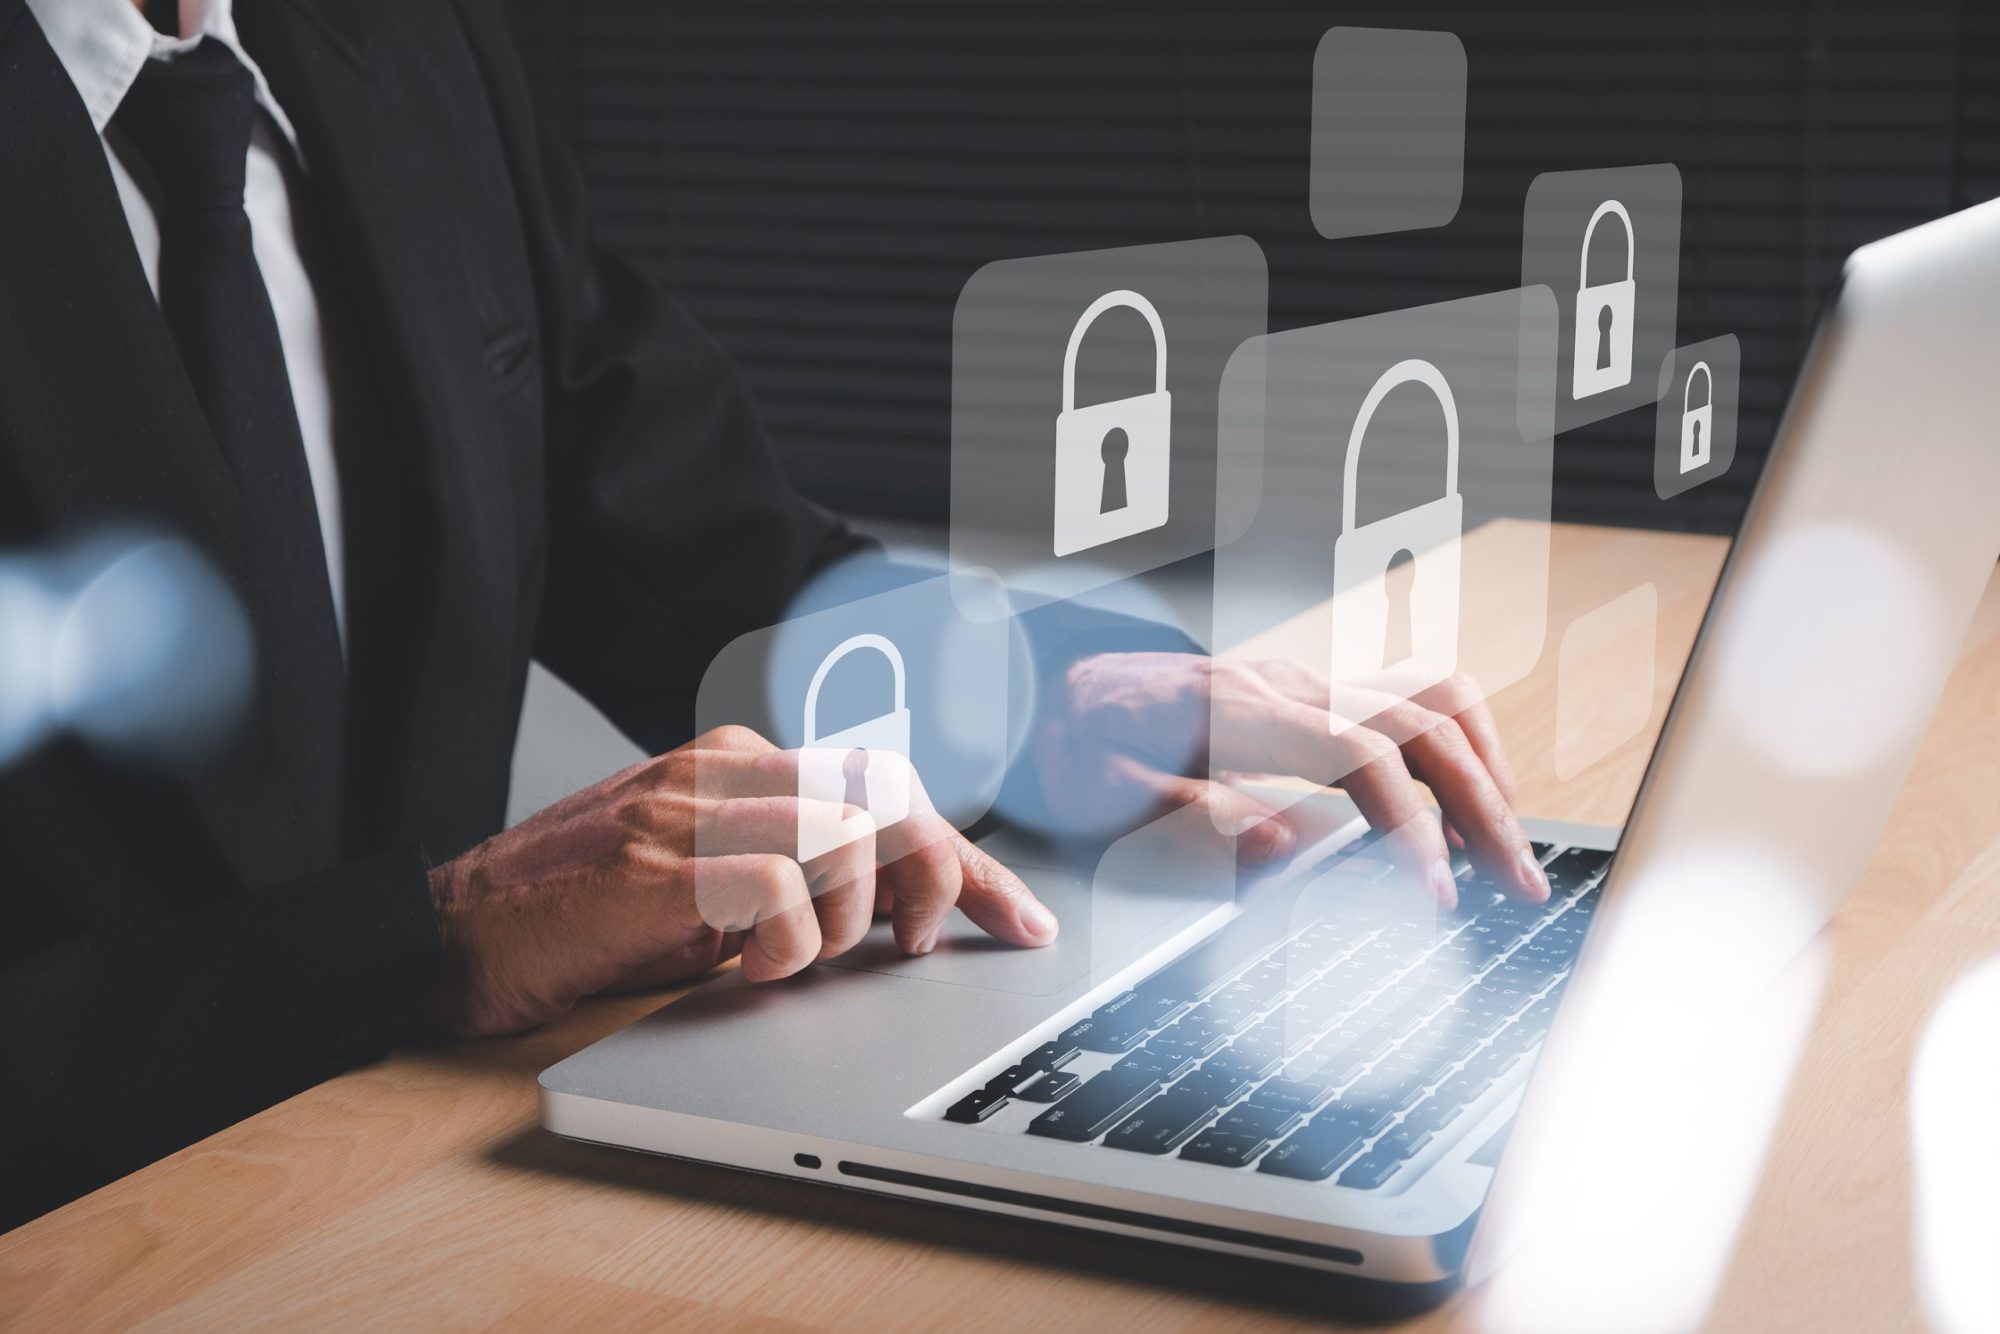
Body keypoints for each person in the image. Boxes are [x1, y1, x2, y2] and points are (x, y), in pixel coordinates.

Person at [0, 0, 1546, 1230]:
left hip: (434, 1196)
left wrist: (1042, 697)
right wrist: (436, 936)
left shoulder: (404, 37)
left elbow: (686, 539)